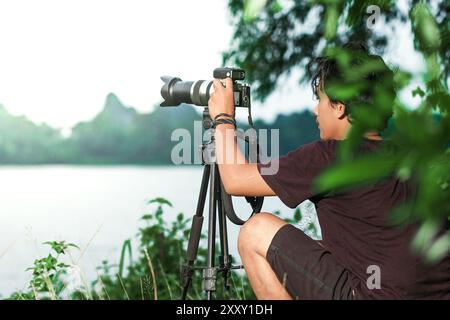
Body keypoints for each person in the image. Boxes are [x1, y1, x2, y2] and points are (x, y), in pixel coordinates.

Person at [207, 43, 450, 300]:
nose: (316, 110)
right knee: (322, 247)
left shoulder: (330, 155)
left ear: (340, 106)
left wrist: (223, 118)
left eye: (321, 99)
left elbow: (234, 179)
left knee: (255, 231)